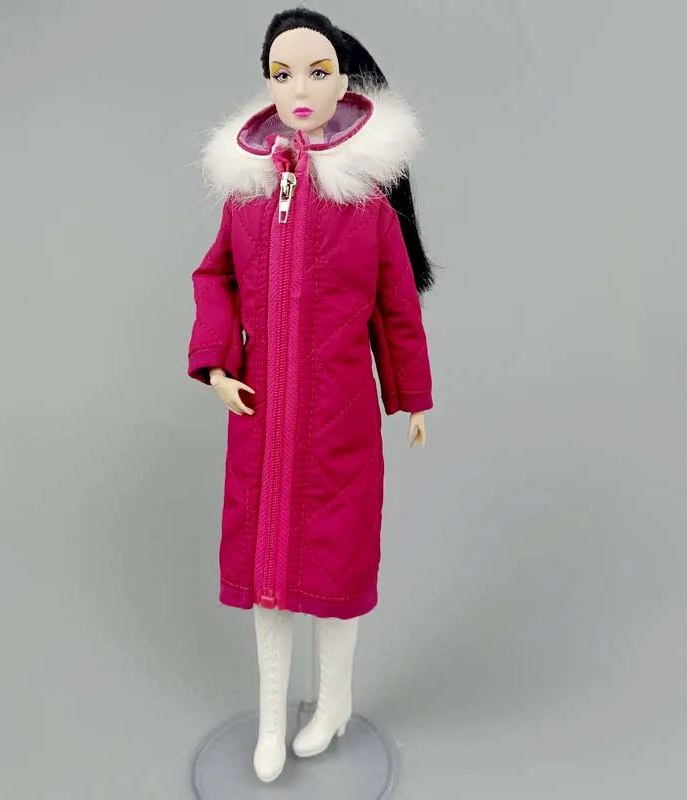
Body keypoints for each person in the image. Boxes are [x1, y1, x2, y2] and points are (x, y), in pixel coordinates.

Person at [187, 6, 436, 782]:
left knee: (337, 575)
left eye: (317, 72)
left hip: (340, 425)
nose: (299, 89)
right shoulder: (248, 197)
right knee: (267, 581)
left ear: (343, 82)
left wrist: (412, 397)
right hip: (262, 419)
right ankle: (270, 720)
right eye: (282, 73)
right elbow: (215, 278)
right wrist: (217, 365)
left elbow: (396, 309)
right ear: (267, 82)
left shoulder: (366, 205)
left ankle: (333, 701)